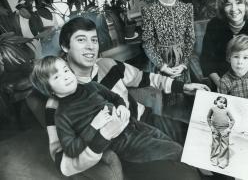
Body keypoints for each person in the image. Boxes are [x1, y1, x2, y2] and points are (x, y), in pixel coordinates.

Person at [43, 17, 209, 178]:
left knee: (208, 140)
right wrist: (100, 141)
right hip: (123, 146)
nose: (90, 46)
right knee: (185, 174)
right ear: (65, 47)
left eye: (94, 40)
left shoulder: (107, 64)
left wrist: (184, 87)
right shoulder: (58, 101)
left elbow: (145, 78)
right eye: (81, 40)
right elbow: (61, 161)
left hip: (147, 120)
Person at [30, 56, 183, 165]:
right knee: (175, 150)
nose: (66, 76)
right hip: (121, 142)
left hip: (134, 124)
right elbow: (70, 149)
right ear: (50, 90)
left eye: (65, 70)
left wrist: (122, 106)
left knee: (171, 141)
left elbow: (115, 97)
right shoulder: (62, 115)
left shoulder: (91, 86)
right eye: (57, 77)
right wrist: (94, 126)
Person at [142, 0, 195, 108]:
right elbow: (147, 42)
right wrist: (162, 66)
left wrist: (184, 64)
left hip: (181, 62)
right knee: (164, 101)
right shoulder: (149, 10)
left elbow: (190, 38)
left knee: (184, 98)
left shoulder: (186, 8)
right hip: (161, 62)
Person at [200, 0, 248, 90]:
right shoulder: (214, 24)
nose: (234, 9)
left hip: (247, 80)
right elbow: (206, 59)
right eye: (228, 4)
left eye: (239, 3)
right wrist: (220, 83)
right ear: (223, 7)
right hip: (220, 79)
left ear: (247, 5)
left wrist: (245, 84)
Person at [207, 96, 235, 169]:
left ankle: (223, 161)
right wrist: (211, 126)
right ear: (216, 101)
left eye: (224, 103)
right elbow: (208, 118)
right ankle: (214, 159)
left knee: (224, 146)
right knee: (215, 145)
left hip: (225, 130)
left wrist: (229, 129)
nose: (222, 104)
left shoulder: (227, 110)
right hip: (215, 129)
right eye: (220, 102)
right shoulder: (212, 109)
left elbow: (232, 120)